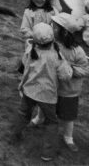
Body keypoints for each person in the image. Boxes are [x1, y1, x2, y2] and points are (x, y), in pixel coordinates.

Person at [10, 22, 73, 162]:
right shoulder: (56, 56)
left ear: (34, 39)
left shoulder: (30, 50)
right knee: (51, 122)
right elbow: (65, 75)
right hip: (47, 95)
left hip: (29, 91)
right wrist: (70, 68)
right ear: (52, 38)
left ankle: (15, 135)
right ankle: (47, 153)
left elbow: (24, 64)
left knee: (23, 114)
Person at [51, 13, 89, 153]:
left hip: (69, 91)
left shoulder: (77, 51)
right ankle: (39, 118)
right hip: (52, 87)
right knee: (46, 107)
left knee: (68, 117)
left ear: (63, 31)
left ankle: (68, 137)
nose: (52, 29)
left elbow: (85, 71)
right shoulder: (52, 44)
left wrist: (69, 69)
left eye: (55, 27)